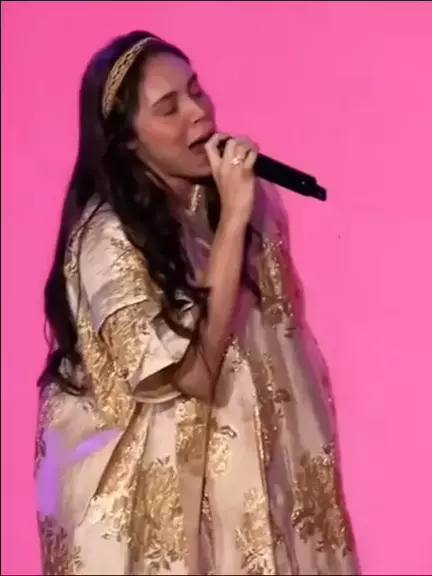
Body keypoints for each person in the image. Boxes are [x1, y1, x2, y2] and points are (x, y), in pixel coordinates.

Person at [35, 29, 358, 576]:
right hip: (168, 516)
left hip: (254, 483)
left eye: (196, 90)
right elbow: (196, 376)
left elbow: (281, 345)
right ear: (128, 142)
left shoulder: (246, 200)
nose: (199, 114)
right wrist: (233, 219)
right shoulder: (108, 240)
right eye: (169, 108)